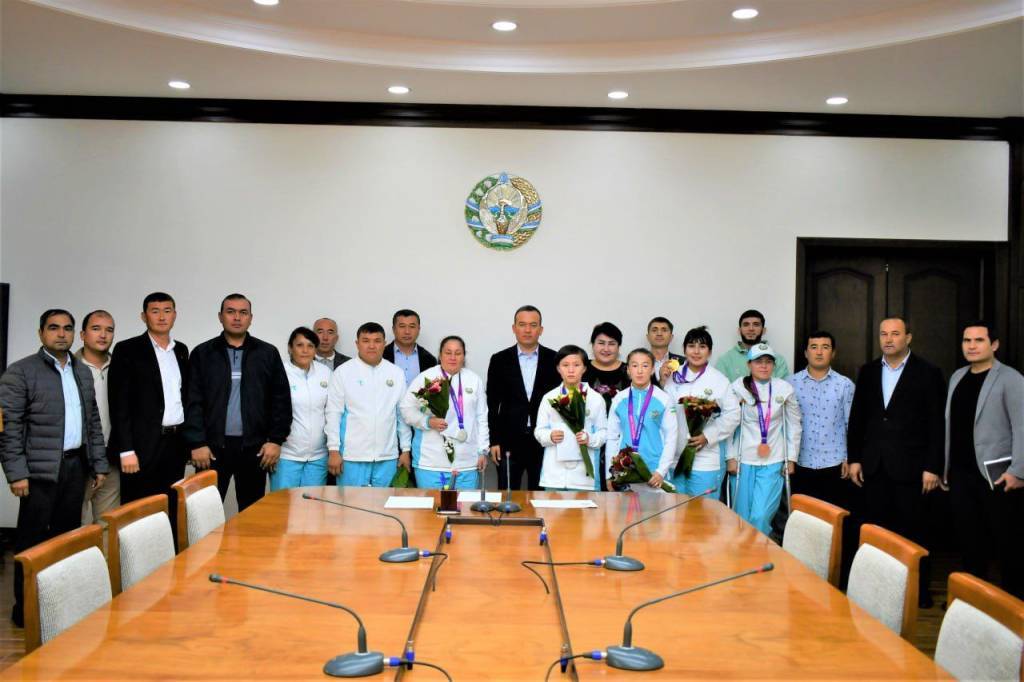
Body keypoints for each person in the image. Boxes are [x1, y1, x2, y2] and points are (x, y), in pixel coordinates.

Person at [0, 309, 108, 627]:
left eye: (67, 328)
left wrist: (99, 464)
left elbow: (93, 423)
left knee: (66, 540)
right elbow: (8, 428)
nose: (61, 334)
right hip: (38, 472)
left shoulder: (81, 372)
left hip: (75, 466)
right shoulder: (21, 372)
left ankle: (58, 608)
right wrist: (17, 473)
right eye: (54, 328)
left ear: (74, 334)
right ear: (41, 333)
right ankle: (25, 611)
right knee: (31, 542)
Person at [847, 317, 944, 607]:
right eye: (883, 334)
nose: (888, 339)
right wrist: (854, 459)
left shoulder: (928, 373)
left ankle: (918, 593)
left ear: (908, 337)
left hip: (913, 469)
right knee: (877, 533)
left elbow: (937, 424)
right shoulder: (867, 371)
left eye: (895, 334)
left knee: (915, 533)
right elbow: (857, 419)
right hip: (874, 466)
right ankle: (878, 593)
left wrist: (933, 466)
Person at [184, 294, 291, 512]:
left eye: (243, 313)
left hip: (255, 449)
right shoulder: (203, 353)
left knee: (251, 514)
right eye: (230, 312)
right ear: (220, 316)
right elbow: (192, 401)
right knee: (203, 514)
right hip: (211, 450)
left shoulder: (267, 353)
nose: (237, 317)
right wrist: (196, 443)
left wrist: (275, 440)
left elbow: (281, 400)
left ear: (251, 318)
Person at [944, 320, 1024, 598]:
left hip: (998, 475)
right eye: (967, 340)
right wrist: (945, 469)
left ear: (994, 344)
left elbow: (1022, 427)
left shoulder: (1011, 379)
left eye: (979, 340)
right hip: (961, 474)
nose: (972, 346)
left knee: (1006, 542)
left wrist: (1018, 471)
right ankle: (973, 601)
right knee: (969, 541)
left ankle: (1014, 603)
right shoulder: (957, 376)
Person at [109, 293, 190, 540]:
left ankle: (169, 559)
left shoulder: (181, 350)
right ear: (144, 316)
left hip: (174, 443)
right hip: (140, 446)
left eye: (167, 310)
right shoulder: (127, 349)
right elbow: (119, 403)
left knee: (171, 507)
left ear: (175, 315)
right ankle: (135, 563)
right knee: (138, 511)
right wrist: (126, 450)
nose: (162, 316)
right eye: (155, 311)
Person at [726, 343, 801, 536]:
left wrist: (791, 458)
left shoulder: (784, 388)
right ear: (749, 364)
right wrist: (730, 457)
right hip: (743, 460)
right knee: (741, 517)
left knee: (760, 516)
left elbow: (794, 424)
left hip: (773, 460)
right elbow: (728, 426)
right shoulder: (737, 388)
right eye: (758, 361)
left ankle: (758, 551)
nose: (764, 366)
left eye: (768, 361)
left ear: (774, 365)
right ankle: (742, 552)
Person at [326, 322, 412, 487]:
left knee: (385, 502)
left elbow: (402, 415)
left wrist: (406, 450)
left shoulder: (396, 373)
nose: (372, 346)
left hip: (387, 456)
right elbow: (333, 414)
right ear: (357, 344)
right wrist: (333, 450)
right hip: (352, 456)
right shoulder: (343, 372)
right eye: (366, 341)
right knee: (351, 503)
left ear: (384, 344)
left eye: (377, 341)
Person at [486, 305, 560, 491]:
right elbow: (492, 404)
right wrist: (494, 441)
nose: (527, 330)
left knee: (541, 496)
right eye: (522, 324)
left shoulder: (554, 359)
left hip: (543, 440)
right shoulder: (499, 360)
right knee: (507, 495)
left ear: (541, 329)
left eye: (533, 325)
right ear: (514, 328)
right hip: (508, 441)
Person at [400, 336, 487, 490]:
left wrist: (483, 451)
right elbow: (406, 409)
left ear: (464, 356)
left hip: (466, 462)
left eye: (458, 353)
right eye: (448, 353)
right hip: (430, 462)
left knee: (465, 505)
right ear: (440, 355)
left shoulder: (474, 380)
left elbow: (482, 417)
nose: (453, 357)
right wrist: (427, 422)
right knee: (432, 506)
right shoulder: (426, 378)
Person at [661, 326, 739, 496]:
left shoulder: (719, 380)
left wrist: (708, 436)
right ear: (684, 350)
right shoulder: (674, 377)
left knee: (704, 509)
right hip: (675, 459)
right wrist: (662, 382)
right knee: (674, 509)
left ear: (709, 352)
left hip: (706, 460)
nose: (696, 352)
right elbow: (664, 412)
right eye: (691, 346)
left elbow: (733, 415)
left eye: (702, 347)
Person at [786, 331, 854, 508]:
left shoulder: (845, 385)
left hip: (835, 463)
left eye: (825, 347)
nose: (819, 352)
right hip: (800, 462)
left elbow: (851, 424)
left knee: (833, 516)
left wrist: (849, 457)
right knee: (802, 516)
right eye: (814, 347)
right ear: (805, 352)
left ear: (833, 353)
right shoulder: (790, 384)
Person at [535, 345, 608, 491]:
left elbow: (604, 432)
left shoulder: (595, 399)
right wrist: (550, 436)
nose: (571, 370)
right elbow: (539, 430)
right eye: (565, 365)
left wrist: (590, 439)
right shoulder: (549, 397)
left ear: (584, 368)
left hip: (584, 478)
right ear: (558, 368)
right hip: (554, 476)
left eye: (576, 365)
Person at [605, 349, 678, 493]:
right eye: (634, 365)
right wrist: (610, 474)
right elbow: (612, 438)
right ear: (628, 370)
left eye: (645, 366)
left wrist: (661, 471)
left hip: (654, 474)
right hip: (625, 472)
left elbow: (671, 437)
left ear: (652, 370)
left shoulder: (664, 399)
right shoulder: (619, 399)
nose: (639, 371)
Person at [271, 327, 331, 491]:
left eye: (310, 346)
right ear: (290, 348)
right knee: (283, 505)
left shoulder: (325, 373)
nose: (305, 350)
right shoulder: (279, 372)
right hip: (286, 456)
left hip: (318, 457)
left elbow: (332, 411)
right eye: (299, 345)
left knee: (312, 505)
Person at [77, 310, 119, 524]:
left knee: (108, 527)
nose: (103, 335)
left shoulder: (121, 367)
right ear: (82, 335)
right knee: (73, 528)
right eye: (96, 329)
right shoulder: (69, 368)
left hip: (111, 458)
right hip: (79, 459)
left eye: (109, 330)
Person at [583, 322, 630, 491]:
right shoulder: (581, 369)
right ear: (592, 344)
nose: (606, 348)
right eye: (601, 343)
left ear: (619, 346)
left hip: (622, 442)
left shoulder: (630, 370)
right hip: (588, 440)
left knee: (619, 495)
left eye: (612, 344)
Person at [716, 310, 790, 382]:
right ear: (739, 330)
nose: (751, 329)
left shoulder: (778, 360)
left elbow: (782, 388)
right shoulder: (725, 360)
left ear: (763, 330)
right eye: (746, 325)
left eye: (756, 324)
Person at [384, 309, 438, 386]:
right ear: (393, 329)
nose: (407, 332)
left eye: (412, 326)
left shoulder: (430, 360)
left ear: (418, 329)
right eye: (402, 326)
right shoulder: (381, 356)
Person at [646, 317, 684, 387]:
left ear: (671, 337)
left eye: (664, 330)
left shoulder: (684, 362)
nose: (659, 333)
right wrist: (661, 381)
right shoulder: (636, 363)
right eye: (654, 330)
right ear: (648, 337)